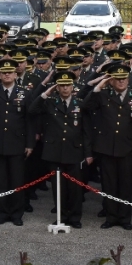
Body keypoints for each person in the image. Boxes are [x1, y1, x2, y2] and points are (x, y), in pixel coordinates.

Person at [83, 63, 132, 230]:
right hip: (106, 147)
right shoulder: (102, 95)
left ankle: (125, 218)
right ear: (111, 81)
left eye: (124, 78)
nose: (121, 82)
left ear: (129, 79)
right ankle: (111, 217)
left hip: (128, 147)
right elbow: (86, 106)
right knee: (108, 185)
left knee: (125, 185)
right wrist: (99, 85)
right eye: (117, 79)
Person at [29, 71, 93, 228]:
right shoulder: (50, 102)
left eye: (68, 85)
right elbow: (32, 110)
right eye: (62, 85)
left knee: (75, 188)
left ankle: (75, 217)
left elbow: (86, 131)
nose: (65, 88)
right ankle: (61, 216)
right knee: (59, 188)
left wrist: (88, 153)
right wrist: (46, 93)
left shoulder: (79, 103)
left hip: (74, 150)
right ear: (57, 87)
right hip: (55, 150)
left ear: (73, 86)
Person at [0, 59, 35, 226]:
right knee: (0, 182)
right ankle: (2, 213)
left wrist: (30, 144)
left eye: (10, 72)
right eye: (3, 72)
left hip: (17, 142)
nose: (7, 74)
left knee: (17, 181)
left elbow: (29, 120)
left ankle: (17, 214)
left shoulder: (25, 93)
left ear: (16, 75)